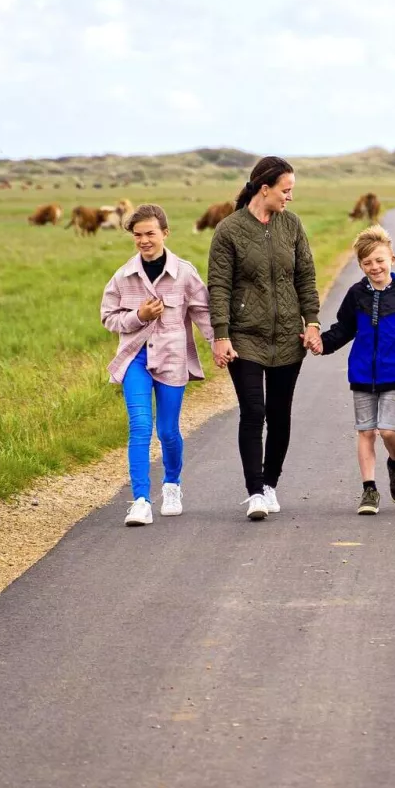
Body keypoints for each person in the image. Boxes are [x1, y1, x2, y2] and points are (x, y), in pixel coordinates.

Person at [207, 157, 322, 521]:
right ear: (264, 188)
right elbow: (219, 286)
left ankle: (270, 484)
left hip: (289, 336)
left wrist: (313, 322)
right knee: (253, 411)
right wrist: (221, 334)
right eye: (285, 191)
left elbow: (305, 276)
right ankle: (254, 491)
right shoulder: (229, 230)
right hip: (245, 337)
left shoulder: (292, 225)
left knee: (279, 414)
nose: (290, 197)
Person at [100, 204, 214, 527]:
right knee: (139, 426)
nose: (144, 240)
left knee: (167, 430)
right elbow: (107, 317)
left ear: (165, 233)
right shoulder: (123, 276)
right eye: (138, 235)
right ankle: (140, 500)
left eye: (150, 233)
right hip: (135, 357)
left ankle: (172, 485)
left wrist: (219, 344)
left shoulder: (185, 273)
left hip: (171, 357)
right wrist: (139, 316)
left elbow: (203, 313)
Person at [318, 225, 395, 515]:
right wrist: (321, 343)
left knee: (387, 430)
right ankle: (369, 490)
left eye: (379, 260)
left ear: (392, 258)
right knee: (366, 431)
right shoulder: (356, 294)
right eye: (367, 262)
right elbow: (343, 328)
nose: (374, 267)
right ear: (360, 265)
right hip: (361, 374)